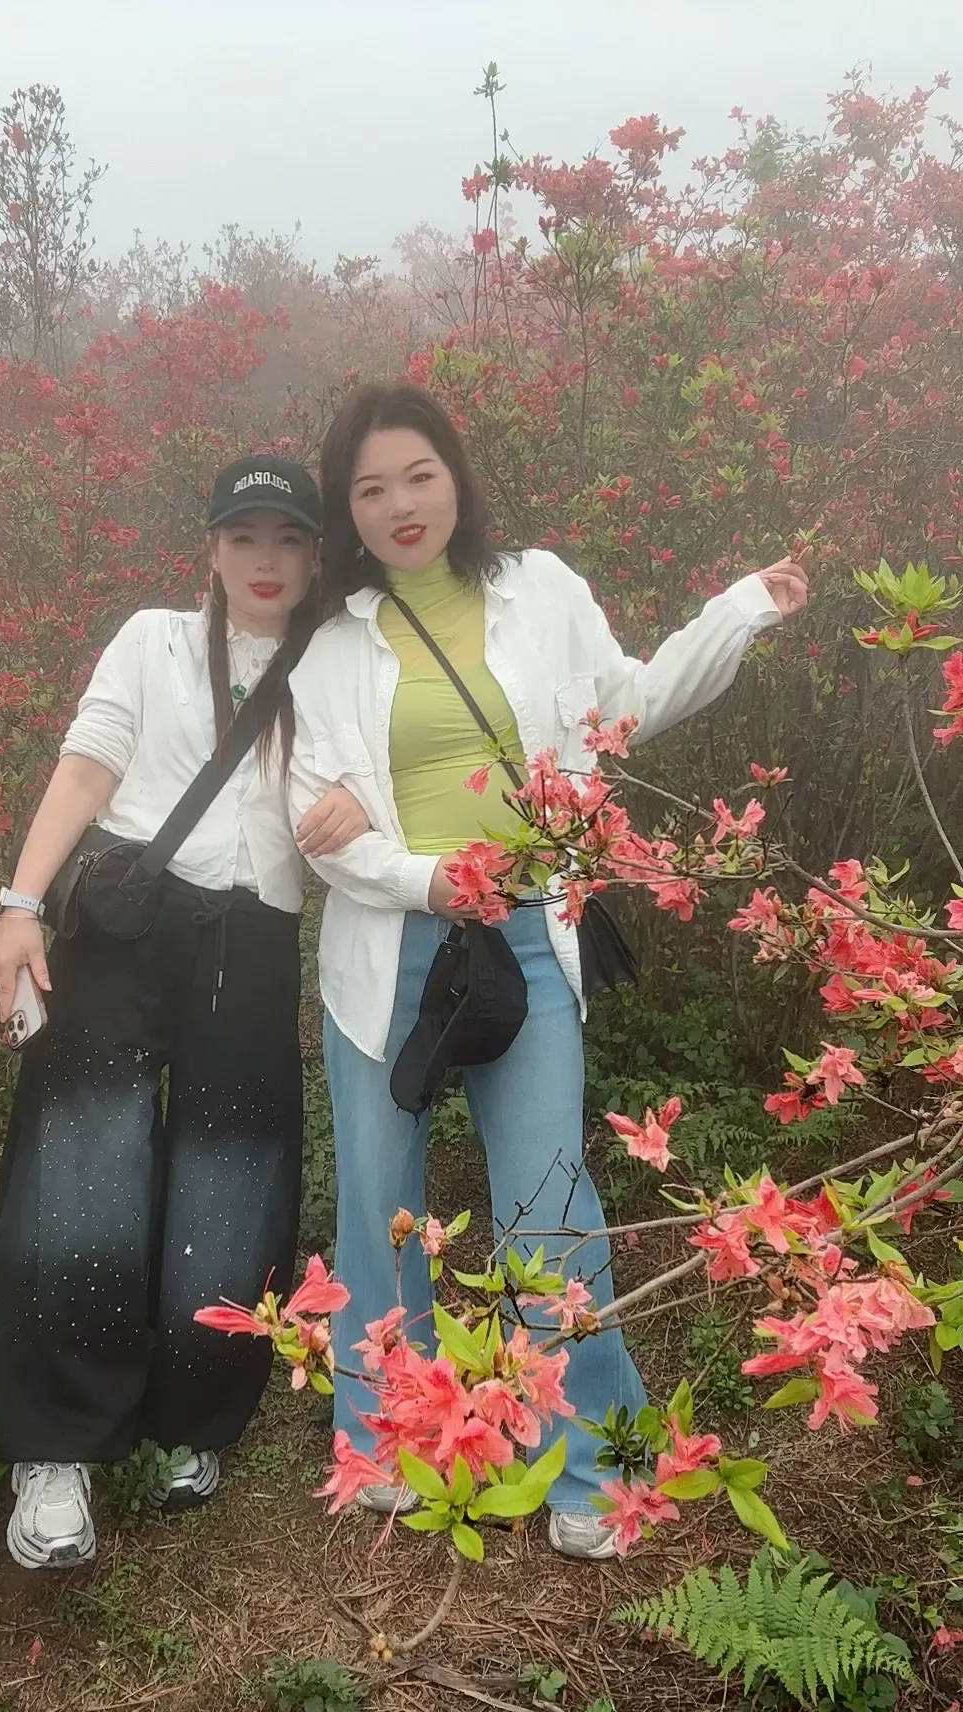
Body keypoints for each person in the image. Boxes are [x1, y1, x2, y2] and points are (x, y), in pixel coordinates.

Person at [287, 383, 809, 1561]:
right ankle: (386, 1439)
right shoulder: (331, 646)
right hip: (391, 954)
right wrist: (425, 879)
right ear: (345, 512)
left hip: (526, 936)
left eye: (418, 475)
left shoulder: (542, 590)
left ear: (456, 475)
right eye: (369, 489)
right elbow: (315, 824)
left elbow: (629, 704)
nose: (400, 503)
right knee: (378, 1200)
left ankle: (595, 1462)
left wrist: (739, 611)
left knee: (551, 1200)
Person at [0, 456, 369, 1570]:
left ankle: (195, 1410)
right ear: (210, 549)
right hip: (127, 923)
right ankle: (57, 1447)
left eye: (287, 539)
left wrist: (359, 797)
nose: (265, 560)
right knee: (83, 1165)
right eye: (244, 537)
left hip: (252, 940)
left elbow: (383, 769)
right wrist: (19, 906)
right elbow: (87, 769)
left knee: (233, 1176)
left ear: (316, 556)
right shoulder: (152, 640)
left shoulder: (337, 661)